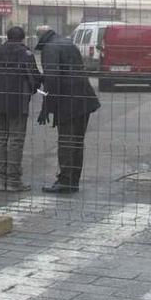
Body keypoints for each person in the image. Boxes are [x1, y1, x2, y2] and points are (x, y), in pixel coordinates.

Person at [35, 26, 100, 194]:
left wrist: (46, 106)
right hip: (84, 98)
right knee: (77, 142)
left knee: (66, 142)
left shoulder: (50, 48)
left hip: (68, 100)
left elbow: (53, 77)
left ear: (40, 37)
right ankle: (72, 181)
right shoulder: (67, 43)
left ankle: (65, 181)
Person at [0, 26, 41, 192]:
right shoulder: (26, 54)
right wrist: (32, 88)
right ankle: (13, 181)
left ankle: (0, 180)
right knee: (15, 141)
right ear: (22, 38)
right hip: (18, 103)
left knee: (0, 140)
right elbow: (34, 78)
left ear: (7, 37)